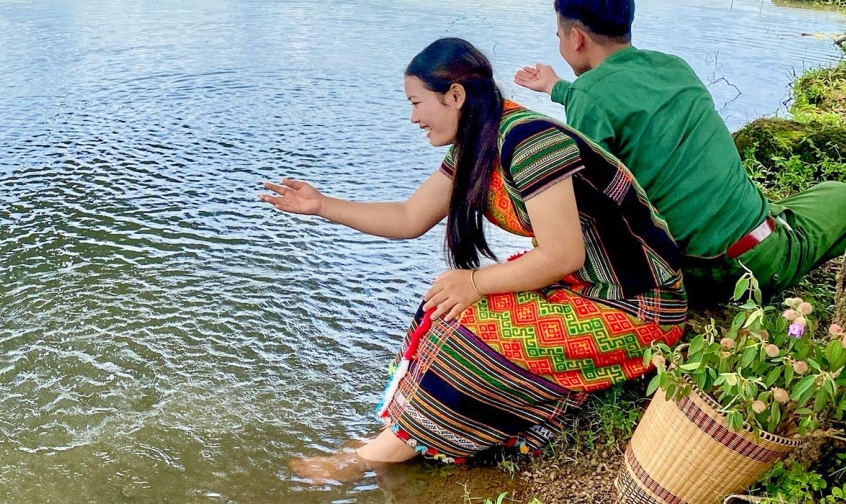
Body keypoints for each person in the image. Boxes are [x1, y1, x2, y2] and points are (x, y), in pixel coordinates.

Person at [263, 38, 685, 482]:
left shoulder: (529, 142)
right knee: (442, 309)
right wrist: (323, 205)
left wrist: (477, 282)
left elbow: (563, 254)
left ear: (456, 96)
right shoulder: (477, 144)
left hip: (638, 304)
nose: (413, 117)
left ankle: (374, 459)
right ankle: (401, 433)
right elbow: (409, 217)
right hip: (584, 285)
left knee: (469, 339)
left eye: (417, 102)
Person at [514, 0, 846, 304]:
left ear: (576, 38)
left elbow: (590, 199)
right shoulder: (673, 66)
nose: (560, 44)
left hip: (708, 274)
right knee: (842, 195)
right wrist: (556, 87)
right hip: (763, 245)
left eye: (558, 36)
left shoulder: (589, 95)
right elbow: (622, 98)